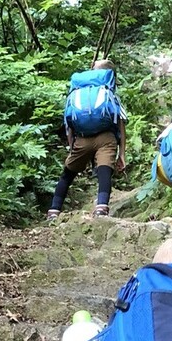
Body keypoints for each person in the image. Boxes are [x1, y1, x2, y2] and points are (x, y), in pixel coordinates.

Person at [47, 58, 127, 221]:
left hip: (82, 139)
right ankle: (102, 208)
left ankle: (54, 210)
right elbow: (121, 125)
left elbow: (69, 122)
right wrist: (122, 154)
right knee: (105, 171)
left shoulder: (78, 90)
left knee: (67, 175)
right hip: (106, 138)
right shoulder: (109, 92)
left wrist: (72, 147)